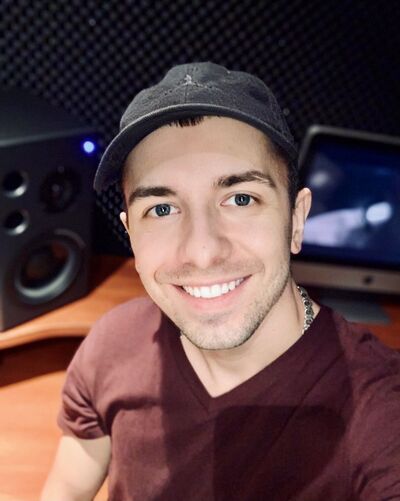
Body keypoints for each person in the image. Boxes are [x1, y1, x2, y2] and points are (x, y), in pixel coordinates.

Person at [41, 62, 400, 501]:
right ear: (130, 233)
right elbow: (67, 488)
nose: (203, 251)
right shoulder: (111, 344)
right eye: (162, 209)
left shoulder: (380, 410)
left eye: (241, 198)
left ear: (296, 220)